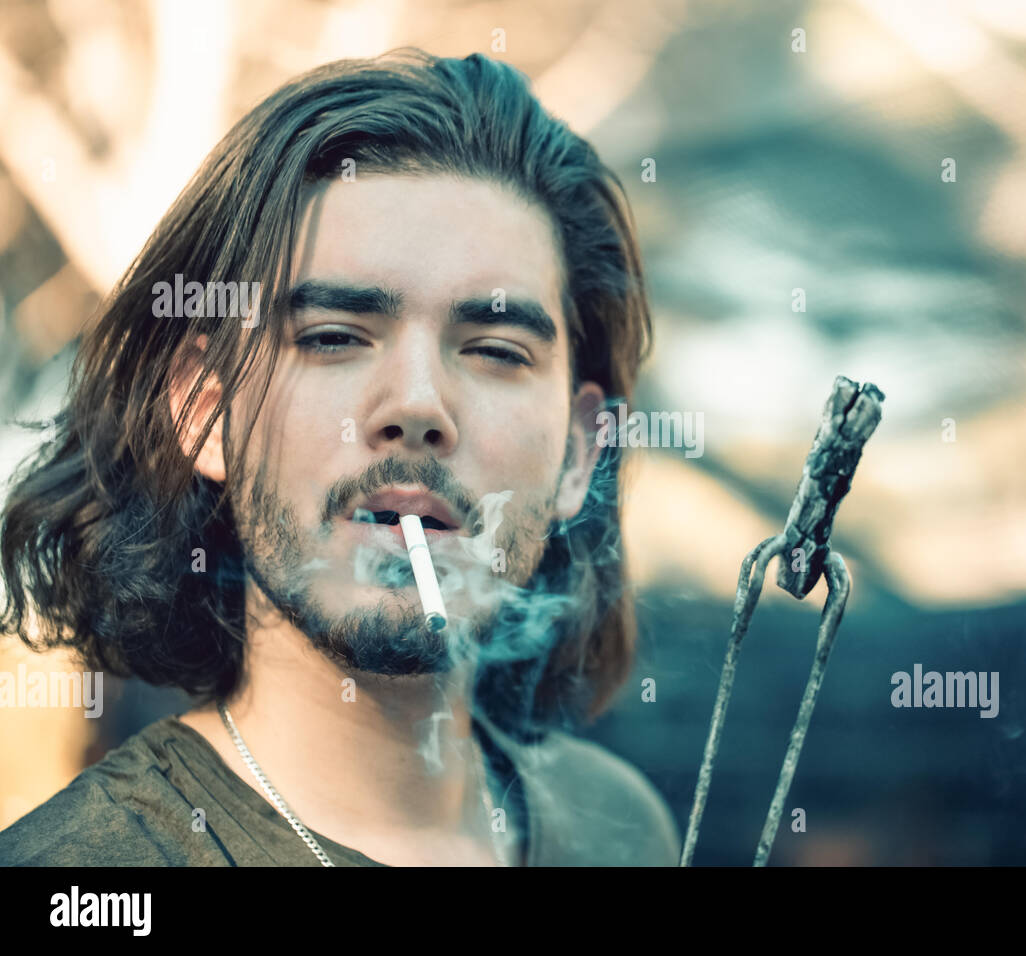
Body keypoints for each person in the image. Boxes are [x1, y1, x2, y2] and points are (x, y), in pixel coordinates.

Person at [0, 49, 677, 866]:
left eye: (496, 350)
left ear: (577, 452)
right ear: (208, 411)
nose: (418, 406)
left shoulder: (621, 829)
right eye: (333, 338)